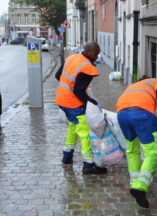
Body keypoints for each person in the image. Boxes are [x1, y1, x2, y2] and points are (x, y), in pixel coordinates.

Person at [55, 41, 107, 175]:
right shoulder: (87, 68)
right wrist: (92, 103)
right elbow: (78, 91)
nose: (97, 57)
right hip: (73, 104)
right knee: (84, 132)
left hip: (62, 100)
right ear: (88, 52)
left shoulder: (72, 57)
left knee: (73, 127)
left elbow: (57, 76)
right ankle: (88, 165)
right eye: (95, 54)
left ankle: (67, 156)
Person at [116, 75, 157, 208]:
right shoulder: (155, 81)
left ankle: (136, 187)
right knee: (153, 151)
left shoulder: (132, 86)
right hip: (141, 113)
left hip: (122, 114)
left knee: (132, 150)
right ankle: (140, 185)